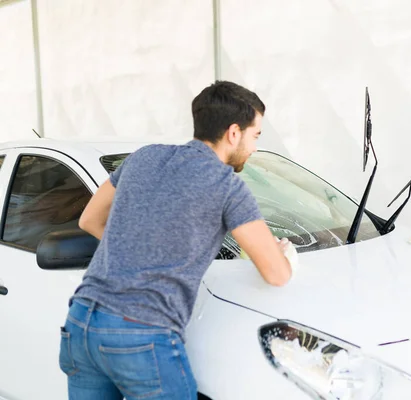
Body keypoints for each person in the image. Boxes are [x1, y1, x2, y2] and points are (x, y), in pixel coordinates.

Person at [58, 80, 295, 399]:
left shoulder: (143, 157)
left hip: (81, 322)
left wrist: (136, 249)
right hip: (141, 334)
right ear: (234, 133)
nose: (253, 148)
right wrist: (280, 253)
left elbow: (90, 219)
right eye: (255, 136)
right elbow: (276, 274)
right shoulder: (227, 186)